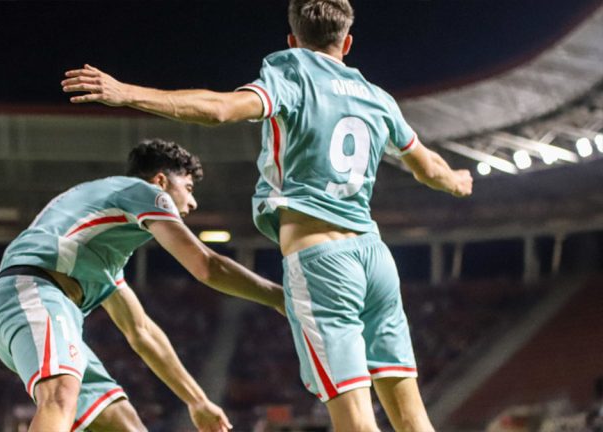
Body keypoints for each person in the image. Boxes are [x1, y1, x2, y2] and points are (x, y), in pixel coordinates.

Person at [61, 1, 472, 430]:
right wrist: (458, 182)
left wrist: (127, 93)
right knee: (413, 417)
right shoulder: (378, 98)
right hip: (376, 261)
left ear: (293, 40)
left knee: (355, 419)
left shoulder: (292, 71)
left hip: (324, 261)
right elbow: (430, 169)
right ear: (346, 42)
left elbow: (220, 109)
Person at [0, 139, 284, 432]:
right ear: (162, 181)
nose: (192, 202)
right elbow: (207, 265)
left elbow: (141, 332)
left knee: (123, 422)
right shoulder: (144, 191)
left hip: (40, 306)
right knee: (61, 393)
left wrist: (198, 401)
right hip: (32, 293)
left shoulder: (100, 246)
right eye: (189, 189)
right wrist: (278, 297)